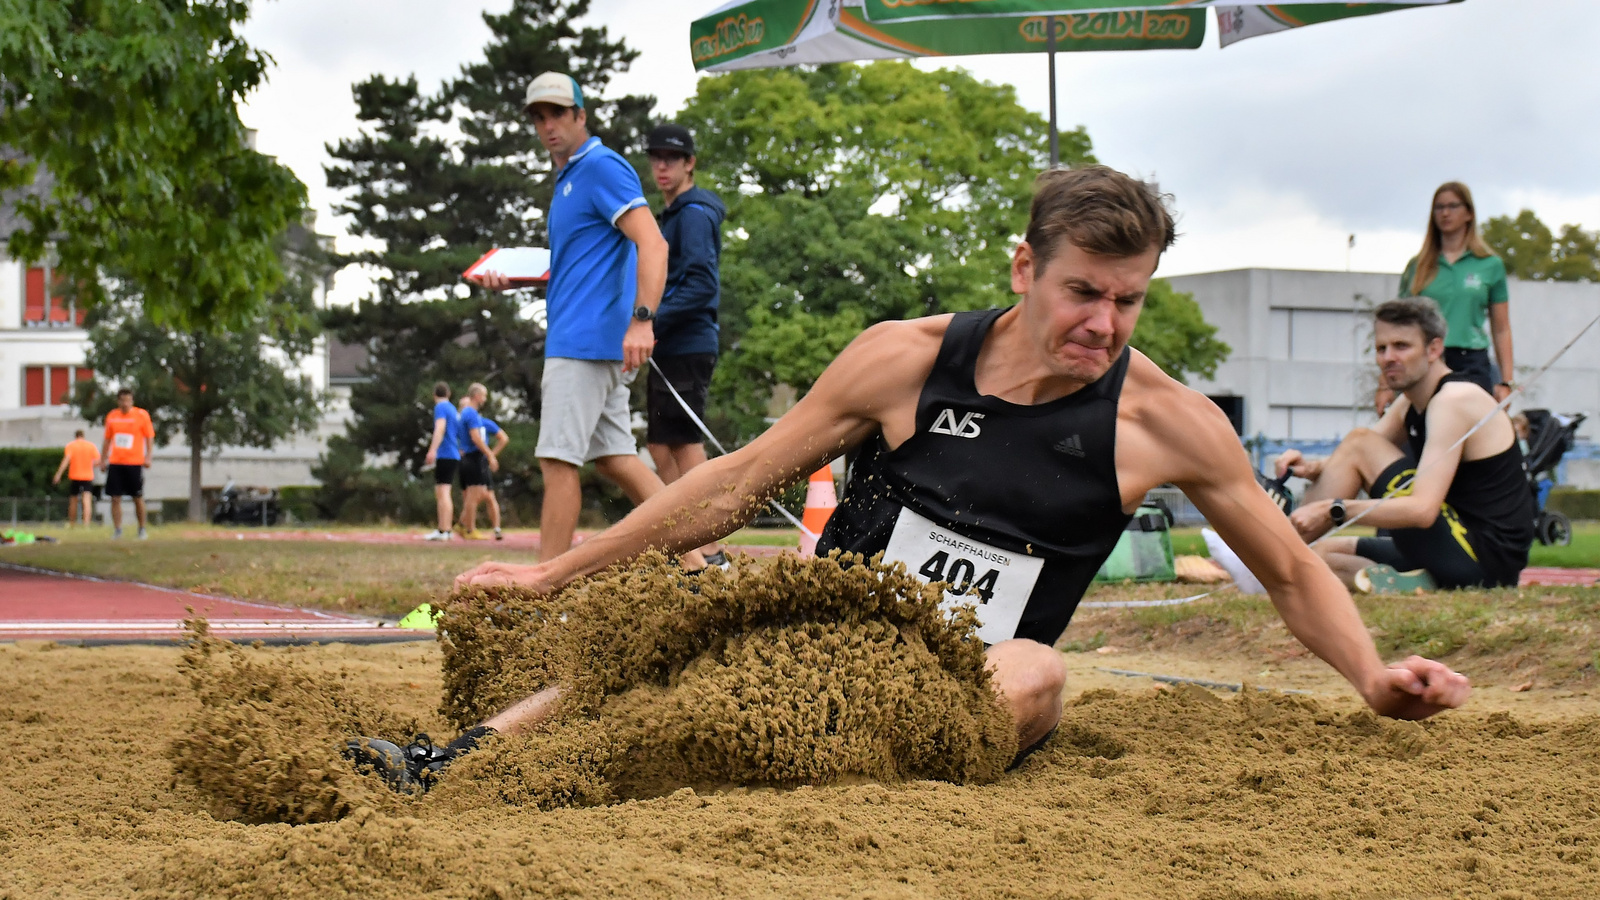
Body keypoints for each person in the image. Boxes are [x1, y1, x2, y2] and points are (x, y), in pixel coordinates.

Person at [350, 167, 1469, 792]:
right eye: (1083, 292)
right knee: (697, 617)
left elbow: (1283, 568)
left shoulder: (1162, 422)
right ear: (1025, 268)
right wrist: (554, 581)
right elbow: (734, 483)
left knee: (1036, 670)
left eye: (1127, 301)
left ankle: (781, 764)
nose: (1104, 324)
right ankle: (467, 761)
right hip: (819, 628)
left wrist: (1371, 674)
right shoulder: (902, 358)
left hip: (962, 683)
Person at [478, 72, 700, 569]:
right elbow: (582, 265)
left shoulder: (601, 167)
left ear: (581, 115)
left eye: (558, 113)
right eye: (538, 117)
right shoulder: (570, 178)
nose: (548, 125)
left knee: (557, 462)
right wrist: (515, 279)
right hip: (591, 342)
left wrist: (643, 321)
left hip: (583, 344)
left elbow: (654, 243)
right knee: (617, 460)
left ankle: (541, 591)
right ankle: (697, 566)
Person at [1276, 298, 1535, 593]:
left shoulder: (1453, 401)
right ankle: (1412, 583)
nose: (1388, 357)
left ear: (1434, 349)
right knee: (1319, 556)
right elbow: (1353, 460)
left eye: (1402, 346)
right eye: (1381, 348)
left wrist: (1334, 509)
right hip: (1452, 548)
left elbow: (1422, 510)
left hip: (1481, 558)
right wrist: (1311, 467)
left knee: (1359, 442)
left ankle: (1268, 558)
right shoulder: (1411, 401)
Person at [643, 123, 729, 568]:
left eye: (671, 158)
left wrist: (648, 320)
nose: (662, 165)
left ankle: (712, 549)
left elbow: (699, 286)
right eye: (655, 157)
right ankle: (689, 543)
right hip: (666, 346)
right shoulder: (672, 214)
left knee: (684, 443)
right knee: (660, 446)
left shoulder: (694, 214)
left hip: (687, 342)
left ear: (689, 163)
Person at [1378, 182, 1513, 413]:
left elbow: (1501, 329)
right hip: (1425, 361)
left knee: (1468, 435)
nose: (1445, 213)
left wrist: (1506, 382)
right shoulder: (1418, 266)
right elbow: (1396, 329)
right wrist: (1385, 385)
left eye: (1453, 206)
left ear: (1468, 213)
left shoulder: (1490, 265)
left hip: (1471, 362)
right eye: (1439, 207)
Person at [97, 389, 154, 540]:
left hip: (134, 462)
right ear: (118, 401)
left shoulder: (141, 415)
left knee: (137, 496)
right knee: (115, 497)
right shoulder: (112, 416)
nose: (125, 404)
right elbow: (107, 439)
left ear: (132, 401)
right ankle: (117, 530)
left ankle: (142, 529)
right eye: (122, 400)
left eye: (128, 400)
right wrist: (103, 460)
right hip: (116, 461)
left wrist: (148, 456)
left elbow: (149, 437)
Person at [454, 383, 497, 541]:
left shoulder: (464, 413)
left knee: (474, 494)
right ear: (477, 396)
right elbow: (476, 437)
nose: (485, 399)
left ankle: (462, 524)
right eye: (484, 395)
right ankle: (470, 529)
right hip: (474, 457)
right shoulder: (471, 414)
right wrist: (490, 454)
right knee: (474, 495)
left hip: (466, 457)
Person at [461, 416, 510, 541]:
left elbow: (503, 438)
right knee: (475, 495)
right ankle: (466, 525)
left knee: (483, 495)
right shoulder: (463, 423)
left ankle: (470, 527)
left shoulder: (482, 423)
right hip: (472, 460)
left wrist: (491, 455)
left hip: (478, 460)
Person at [422, 382, 460, 542]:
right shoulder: (453, 408)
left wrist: (432, 450)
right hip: (453, 453)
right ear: (449, 393)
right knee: (446, 492)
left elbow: (440, 428)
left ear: (434, 395)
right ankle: (447, 529)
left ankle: (442, 529)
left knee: (442, 492)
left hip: (445, 454)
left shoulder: (441, 408)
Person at [52, 429, 100, 527]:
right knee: (86, 500)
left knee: (73, 500)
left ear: (75, 436)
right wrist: (89, 465)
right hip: (87, 476)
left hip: (75, 475)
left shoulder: (71, 446)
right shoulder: (91, 446)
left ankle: (72, 523)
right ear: (83, 436)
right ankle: (86, 523)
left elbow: (66, 460)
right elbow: (97, 460)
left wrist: (58, 474)